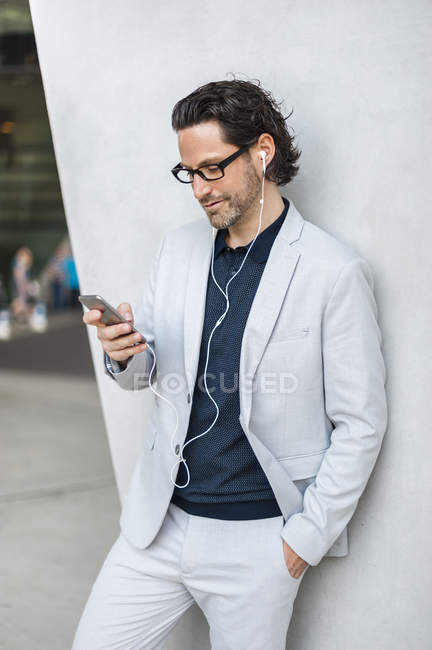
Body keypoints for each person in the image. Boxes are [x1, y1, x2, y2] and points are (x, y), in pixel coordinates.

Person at [74, 79, 388, 649]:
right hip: (158, 526)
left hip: (258, 543)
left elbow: (361, 423)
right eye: (188, 172)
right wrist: (122, 355)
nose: (198, 188)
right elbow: (147, 371)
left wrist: (302, 542)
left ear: (261, 152)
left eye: (212, 168)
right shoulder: (177, 249)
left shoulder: (332, 271)